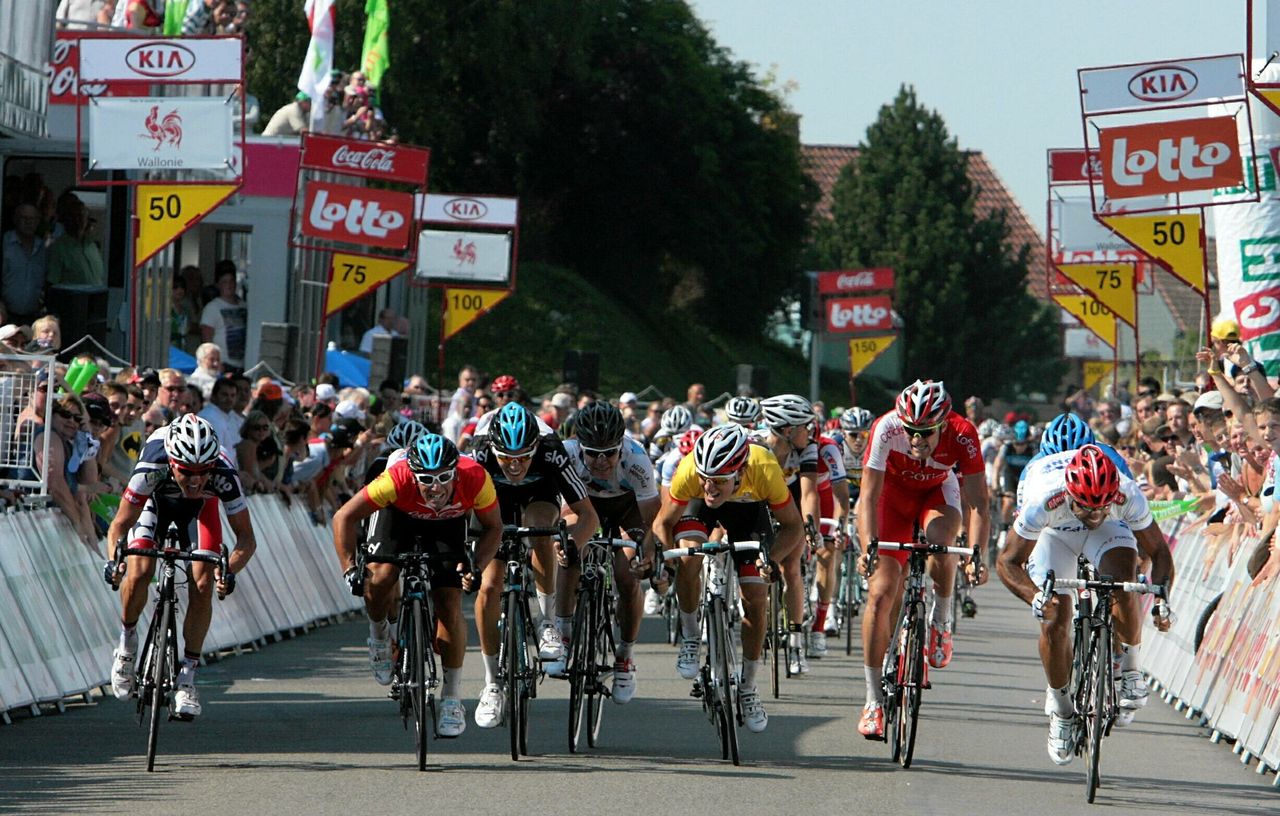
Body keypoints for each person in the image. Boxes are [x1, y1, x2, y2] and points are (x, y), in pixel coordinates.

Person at [996, 445, 1174, 765]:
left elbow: (1159, 552)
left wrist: (1162, 598)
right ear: (1069, 492)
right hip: (1054, 534)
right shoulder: (1044, 500)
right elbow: (1008, 562)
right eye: (1087, 507)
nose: (1093, 515)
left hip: (1110, 531)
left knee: (1123, 580)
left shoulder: (1124, 494)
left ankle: (1131, 669)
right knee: (1055, 621)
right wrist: (1036, 597)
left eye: (1100, 507)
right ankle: (1063, 714)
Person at [332, 433, 503, 738]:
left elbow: (493, 528)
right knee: (381, 576)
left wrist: (476, 566)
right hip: (398, 516)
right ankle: (380, 636)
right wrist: (349, 569)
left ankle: (451, 699)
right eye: (426, 478)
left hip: (447, 525)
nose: (435, 487)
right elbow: (344, 517)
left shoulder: (475, 477)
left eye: (444, 477)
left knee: (449, 602)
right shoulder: (395, 479)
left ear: (456, 471)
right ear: (413, 474)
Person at [855, 380, 989, 740]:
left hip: (936, 495)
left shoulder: (963, 434)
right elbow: (868, 495)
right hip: (891, 499)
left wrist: (977, 554)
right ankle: (872, 701)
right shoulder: (886, 428)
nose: (916, 440)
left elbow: (977, 501)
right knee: (881, 594)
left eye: (925, 433)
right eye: (911, 431)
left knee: (941, 542)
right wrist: (868, 545)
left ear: (943, 424)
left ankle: (941, 620)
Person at [653, 423, 803, 733]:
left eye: (719, 480)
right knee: (689, 554)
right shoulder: (690, 470)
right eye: (705, 478)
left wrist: (771, 560)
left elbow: (793, 528)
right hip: (700, 514)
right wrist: (665, 563)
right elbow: (662, 523)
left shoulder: (763, 467)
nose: (710, 487)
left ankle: (747, 687)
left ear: (740, 470)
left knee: (756, 598)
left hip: (749, 515)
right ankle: (692, 635)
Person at [105, 414, 257, 719]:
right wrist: (114, 560)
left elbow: (246, 539)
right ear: (172, 461)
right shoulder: (153, 463)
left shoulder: (223, 471)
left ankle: (187, 678)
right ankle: (127, 644)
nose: (196, 480)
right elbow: (120, 524)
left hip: (202, 510)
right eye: (187, 471)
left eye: (204, 472)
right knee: (140, 571)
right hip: (156, 503)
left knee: (203, 583)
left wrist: (229, 571)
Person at [468, 403, 598, 726]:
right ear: (492, 449)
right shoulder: (479, 454)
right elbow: (460, 514)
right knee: (489, 587)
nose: (515, 467)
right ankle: (492, 684)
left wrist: (571, 544)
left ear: (536, 447)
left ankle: (547, 622)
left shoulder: (552, 450)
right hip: (494, 501)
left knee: (540, 525)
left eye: (524, 457)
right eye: (507, 459)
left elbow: (588, 516)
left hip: (540, 496)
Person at [558, 402, 659, 705]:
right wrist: (560, 541)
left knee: (628, 578)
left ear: (621, 448)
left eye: (609, 453)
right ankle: (563, 635)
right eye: (592, 453)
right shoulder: (566, 454)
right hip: (584, 506)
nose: (601, 462)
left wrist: (646, 555)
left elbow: (650, 522)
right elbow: (558, 510)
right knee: (570, 551)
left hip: (627, 510)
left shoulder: (638, 459)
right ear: (580, 446)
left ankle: (625, 657)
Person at [756, 394, 823, 675]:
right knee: (756, 568)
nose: (810, 431)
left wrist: (811, 528)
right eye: (805, 426)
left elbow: (808, 493)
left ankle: (795, 643)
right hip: (757, 502)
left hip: (790, 507)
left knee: (791, 568)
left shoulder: (806, 448)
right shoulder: (755, 445)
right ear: (787, 430)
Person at [2, 203, 46, 325]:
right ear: (15, 220)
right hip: (5, 316)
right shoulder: (4, 243)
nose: (28, 222)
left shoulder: (42, 248)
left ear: (38, 222)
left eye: (32, 219)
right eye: (24, 218)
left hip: (34, 319)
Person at [46, 196, 105, 288]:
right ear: (65, 220)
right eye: (74, 216)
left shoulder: (92, 246)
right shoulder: (59, 248)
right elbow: (52, 284)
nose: (78, 221)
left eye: (82, 216)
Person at [199, 261, 247, 370]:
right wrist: (213, 363)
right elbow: (207, 341)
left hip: (244, 364)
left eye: (231, 281)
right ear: (218, 284)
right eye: (225, 282)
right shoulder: (212, 308)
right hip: (223, 365)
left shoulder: (244, 306)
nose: (229, 285)